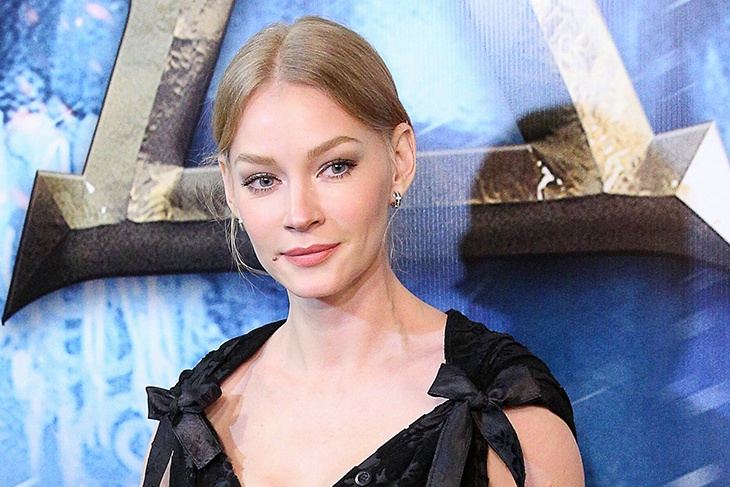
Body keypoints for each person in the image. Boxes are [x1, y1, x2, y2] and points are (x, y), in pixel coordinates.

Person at [141, 16, 584, 487]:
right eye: (263, 180)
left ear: (400, 160)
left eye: (335, 167)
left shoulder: (505, 418)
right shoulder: (192, 417)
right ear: (230, 188)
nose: (299, 214)